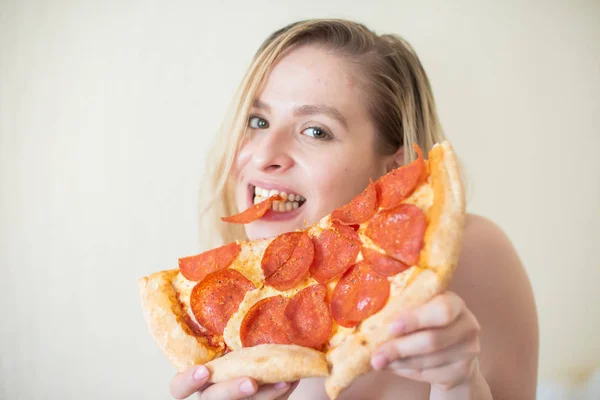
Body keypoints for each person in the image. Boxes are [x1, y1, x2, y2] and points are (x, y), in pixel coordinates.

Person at [169, 19, 538, 400]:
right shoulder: (216, 316)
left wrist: (460, 385)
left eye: (315, 131)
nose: (264, 155)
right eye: (258, 121)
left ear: (393, 168)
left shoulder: (474, 253)